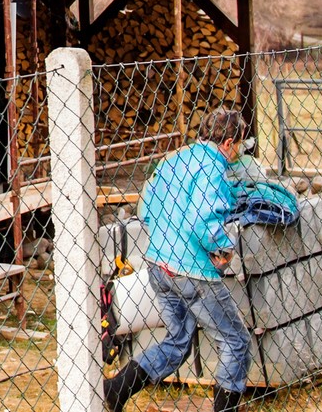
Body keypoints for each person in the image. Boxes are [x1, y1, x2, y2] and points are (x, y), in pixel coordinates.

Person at [103, 107, 255, 412]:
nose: (239, 150)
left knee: (178, 341)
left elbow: (146, 209)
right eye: (239, 144)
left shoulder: (175, 159)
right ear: (228, 143)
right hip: (192, 271)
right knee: (236, 341)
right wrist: (225, 247)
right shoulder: (212, 169)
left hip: (159, 264)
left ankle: (117, 388)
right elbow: (203, 223)